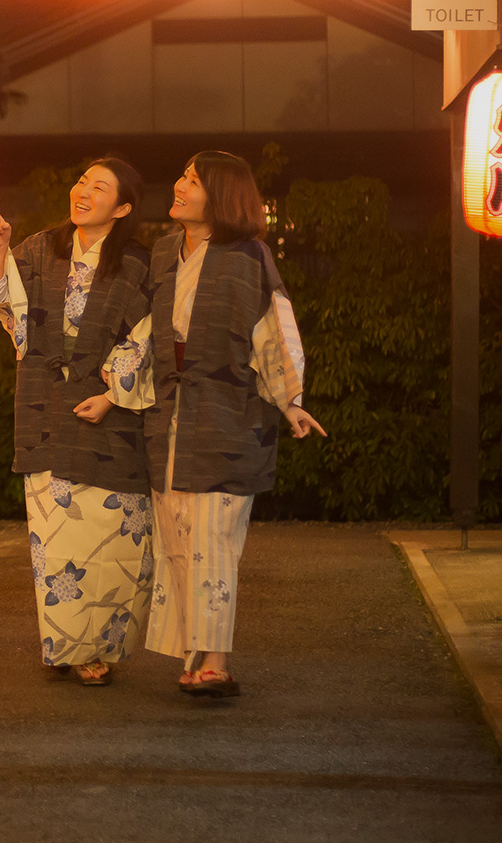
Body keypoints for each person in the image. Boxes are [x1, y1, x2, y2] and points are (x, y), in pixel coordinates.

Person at [106, 151, 325, 698]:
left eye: (193, 180)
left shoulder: (248, 255)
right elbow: (146, 330)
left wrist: (290, 399)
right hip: (171, 416)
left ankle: (217, 660)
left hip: (228, 417)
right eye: (181, 175)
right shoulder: (164, 252)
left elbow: (274, 330)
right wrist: (112, 391)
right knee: (178, 539)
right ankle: (194, 652)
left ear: (221, 195)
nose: (178, 186)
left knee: (214, 540)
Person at [0, 157, 155, 686]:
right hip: (46, 403)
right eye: (81, 181)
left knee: (121, 536)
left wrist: (112, 394)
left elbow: (146, 334)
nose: (83, 191)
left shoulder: (137, 265)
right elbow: (1, 300)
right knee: (57, 542)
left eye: (99, 187)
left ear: (121, 208)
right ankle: (71, 650)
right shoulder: (37, 248)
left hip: (109, 412)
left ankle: (103, 645)